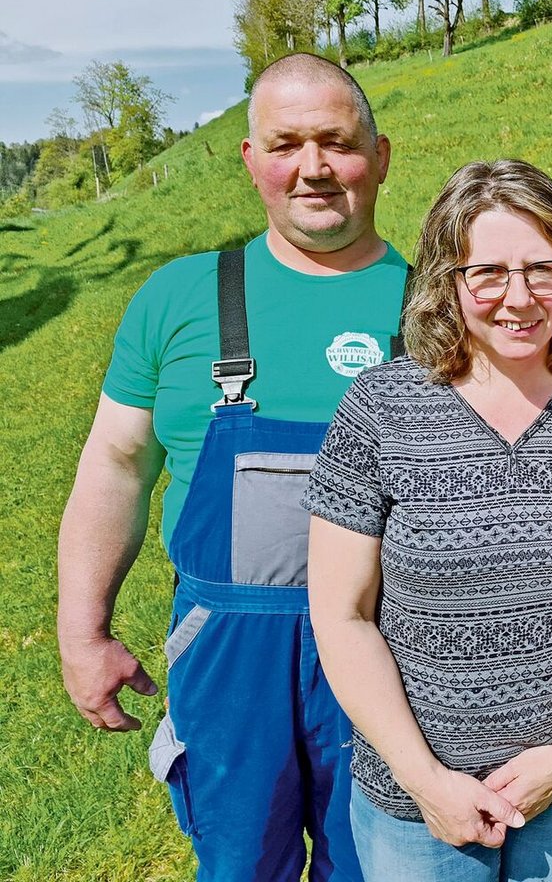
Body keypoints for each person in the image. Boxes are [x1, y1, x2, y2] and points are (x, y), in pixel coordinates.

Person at [56, 52, 409, 881]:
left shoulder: (441, 301)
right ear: (252, 161)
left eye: (337, 142)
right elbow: (115, 464)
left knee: (383, 863)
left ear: (381, 156)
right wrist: (84, 632)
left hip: (393, 647)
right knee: (239, 862)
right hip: (227, 654)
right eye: (286, 144)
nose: (313, 168)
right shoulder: (180, 297)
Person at [302, 158, 552, 882]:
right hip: (416, 804)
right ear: (449, 280)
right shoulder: (380, 410)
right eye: (488, 272)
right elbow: (341, 615)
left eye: (543, 269)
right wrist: (427, 783)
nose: (519, 298)